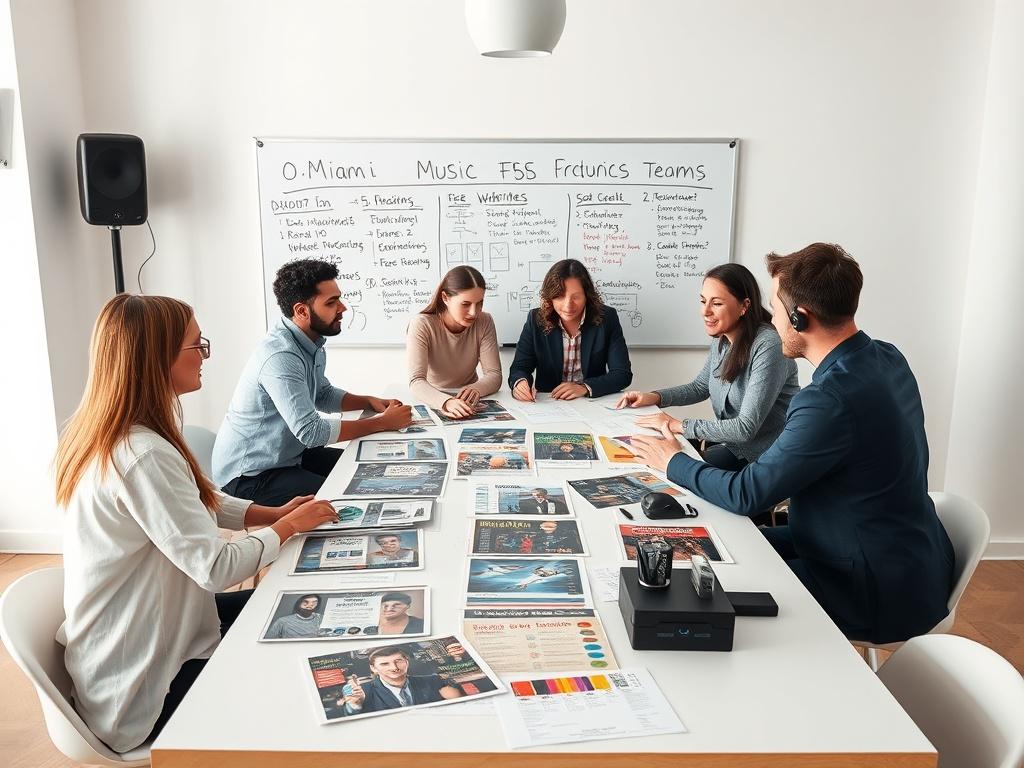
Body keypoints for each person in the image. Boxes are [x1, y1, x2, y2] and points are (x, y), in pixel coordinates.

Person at [629, 243, 954, 645]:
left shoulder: (828, 399)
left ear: (801, 317)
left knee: (712, 592)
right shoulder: (887, 357)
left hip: (870, 587)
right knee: (718, 547)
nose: (772, 320)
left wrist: (673, 460)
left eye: (776, 309)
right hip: (900, 557)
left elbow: (749, 493)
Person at [54, 295, 338, 753]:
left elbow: (201, 500)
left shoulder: (126, 435)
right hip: (145, 687)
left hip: (158, 635)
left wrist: (273, 515)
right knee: (296, 651)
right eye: (196, 345)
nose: (205, 355)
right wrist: (286, 529)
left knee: (293, 610)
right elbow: (217, 567)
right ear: (156, 358)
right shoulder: (143, 455)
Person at [213, 259, 413, 505]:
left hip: (288, 456)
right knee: (349, 498)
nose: (343, 308)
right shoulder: (281, 356)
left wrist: (369, 401)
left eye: (338, 298)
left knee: (366, 471)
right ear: (302, 311)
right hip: (251, 476)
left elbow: (322, 394)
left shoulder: (310, 341)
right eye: (331, 302)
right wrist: (381, 423)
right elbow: (311, 432)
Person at [616, 263, 800, 469]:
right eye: (703, 301)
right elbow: (700, 387)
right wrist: (655, 397)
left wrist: (677, 425)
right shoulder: (722, 339)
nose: (705, 311)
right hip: (733, 446)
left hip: (764, 456)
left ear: (744, 306)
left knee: (671, 469)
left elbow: (745, 428)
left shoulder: (769, 345)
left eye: (717, 303)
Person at [509, 259, 632, 401]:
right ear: (550, 298)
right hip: (548, 404)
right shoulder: (536, 319)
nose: (568, 306)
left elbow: (622, 374)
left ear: (587, 296)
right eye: (560, 297)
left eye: (576, 297)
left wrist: (584, 387)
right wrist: (520, 383)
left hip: (591, 403)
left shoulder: (607, 318)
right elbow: (519, 368)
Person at [407, 265, 501, 419]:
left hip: (472, 399)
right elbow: (416, 381)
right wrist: (446, 401)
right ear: (445, 298)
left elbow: (494, 374)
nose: (473, 312)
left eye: (479, 303)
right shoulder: (422, 324)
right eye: (465, 304)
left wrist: (475, 389)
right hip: (432, 398)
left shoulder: (485, 321)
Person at [343, 647, 463, 713]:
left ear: (407, 661)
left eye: (398, 661)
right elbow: (353, 716)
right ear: (373, 668)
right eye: (385, 664)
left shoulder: (433, 681)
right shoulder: (363, 691)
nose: (394, 668)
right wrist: (355, 705)